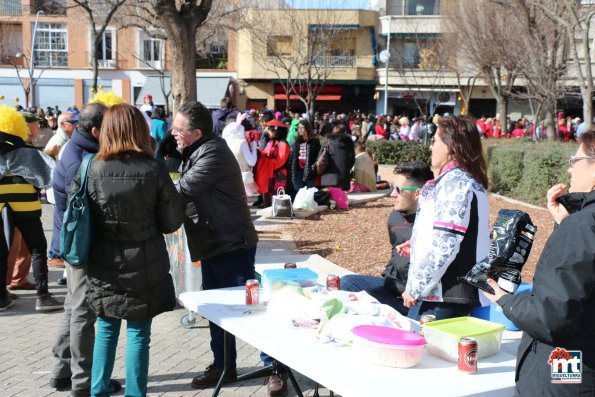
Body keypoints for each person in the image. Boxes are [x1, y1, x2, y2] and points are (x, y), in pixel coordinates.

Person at [79, 103, 183, 397]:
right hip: (145, 262)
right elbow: (171, 221)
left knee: (106, 328)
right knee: (139, 333)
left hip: (102, 260)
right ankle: (135, 394)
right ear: (140, 130)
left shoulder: (90, 166)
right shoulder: (154, 168)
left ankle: (98, 390)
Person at [483, 128, 595, 396]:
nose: (570, 170)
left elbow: (552, 317)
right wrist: (565, 224)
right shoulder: (581, 225)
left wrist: (506, 300)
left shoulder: (583, 226)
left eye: (575, 161)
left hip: (567, 373)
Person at [171, 101, 259, 390]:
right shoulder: (197, 149)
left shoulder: (214, 153)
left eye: (178, 129)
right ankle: (223, 366)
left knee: (248, 310)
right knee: (217, 311)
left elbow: (182, 191)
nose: (172, 132)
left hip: (232, 244)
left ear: (196, 132)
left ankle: (273, 366)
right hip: (213, 243)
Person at [49, 102, 125, 395]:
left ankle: (61, 371)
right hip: (81, 245)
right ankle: (84, 381)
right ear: (95, 130)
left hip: (75, 243)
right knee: (82, 311)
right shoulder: (80, 159)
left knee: (73, 308)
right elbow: (88, 211)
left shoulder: (79, 148)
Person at [402, 116, 490, 320]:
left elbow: (446, 243)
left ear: (450, 146)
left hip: (449, 295)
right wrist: (417, 243)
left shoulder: (457, 183)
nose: (430, 146)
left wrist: (415, 288)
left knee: (419, 350)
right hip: (444, 293)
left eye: (434, 141)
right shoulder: (458, 180)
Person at [341, 161, 434, 315]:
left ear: (417, 193)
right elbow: (394, 252)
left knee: (418, 328)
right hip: (394, 290)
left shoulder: (435, 221)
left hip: (419, 297)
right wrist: (388, 277)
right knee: (347, 283)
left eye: (398, 189)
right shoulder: (395, 217)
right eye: (392, 187)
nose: (392, 194)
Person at [0, 106, 62, 312]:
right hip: (25, 202)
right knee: (37, 248)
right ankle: (43, 297)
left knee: (1, 249)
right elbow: (46, 179)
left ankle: (1, 297)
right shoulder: (27, 152)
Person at [254, 119, 290, 208]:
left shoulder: (283, 144)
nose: (267, 131)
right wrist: (258, 152)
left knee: (276, 195)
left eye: (269, 129)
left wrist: (266, 161)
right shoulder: (270, 143)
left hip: (279, 174)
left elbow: (280, 161)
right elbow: (265, 153)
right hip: (270, 173)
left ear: (276, 131)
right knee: (268, 194)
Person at [320, 124, 355, 191]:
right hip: (343, 177)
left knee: (329, 198)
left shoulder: (327, 142)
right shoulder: (349, 143)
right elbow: (352, 160)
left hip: (328, 177)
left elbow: (320, 157)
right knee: (341, 198)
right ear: (345, 132)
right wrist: (346, 169)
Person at [289, 119, 320, 193]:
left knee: (310, 193)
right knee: (298, 192)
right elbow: (293, 156)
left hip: (310, 171)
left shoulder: (314, 141)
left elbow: (318, 155)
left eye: (302, 127)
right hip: (298, 171)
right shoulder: (297, 141)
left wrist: (313, 166)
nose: (300, 130)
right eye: (299, 128)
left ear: (307, 128)